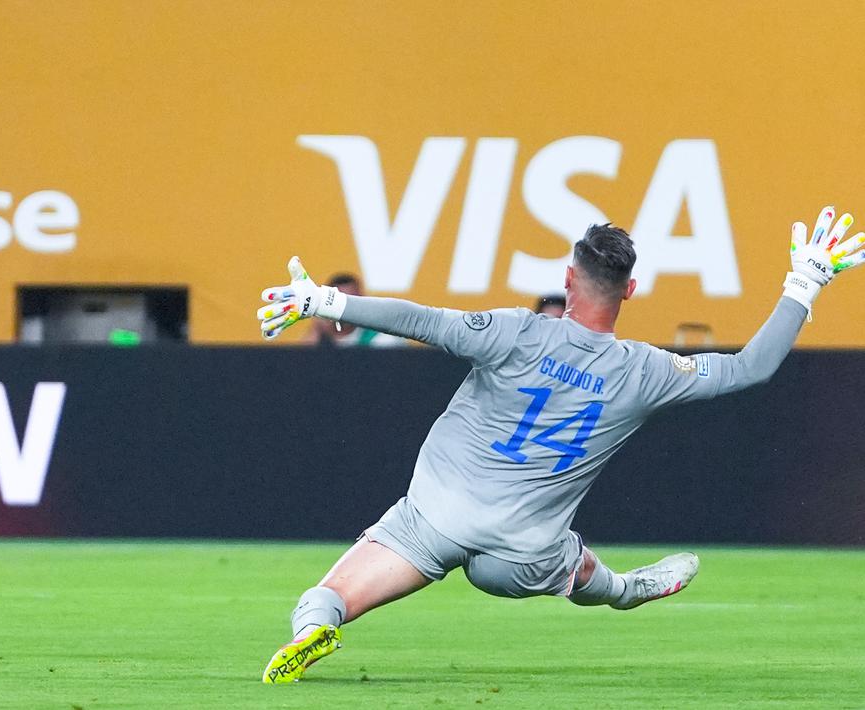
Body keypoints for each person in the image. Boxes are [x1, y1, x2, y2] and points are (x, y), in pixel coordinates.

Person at [254, 208, 864, 683]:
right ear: (629, 292)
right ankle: (628, 591)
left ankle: (314, 629)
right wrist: (805, 282)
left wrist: (324, 300)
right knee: (568, 565)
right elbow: (749, 369)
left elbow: (420, 320)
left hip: (433, 519)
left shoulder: (515, 331)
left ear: (568, 280)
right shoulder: (644, 370)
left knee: (328, 595)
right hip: (525, 553)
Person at [302, 272, 406, 348]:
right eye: (339, 301)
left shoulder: (381, 338)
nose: (346, 308)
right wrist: (315, 331)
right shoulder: (322, 336)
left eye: (351, 301)